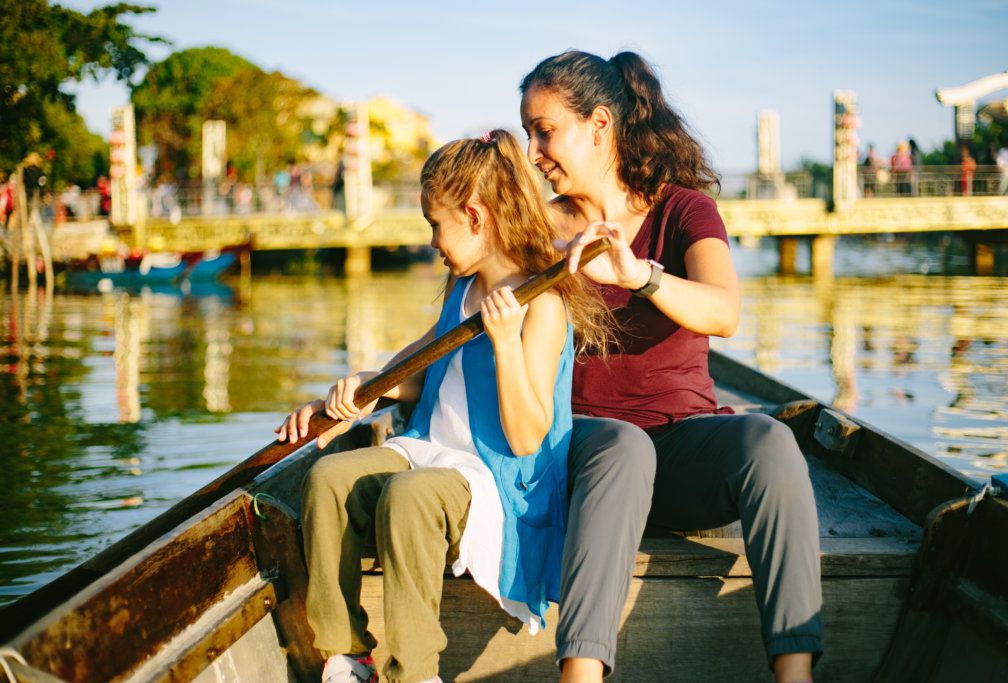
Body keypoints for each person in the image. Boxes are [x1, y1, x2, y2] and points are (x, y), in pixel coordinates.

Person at [519, 50, 821, 683]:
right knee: (624, 446)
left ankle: (796, 675)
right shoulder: (536, 232)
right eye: (527, 133)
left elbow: (724, 311)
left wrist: (639, 276)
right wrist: (363, 390)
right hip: (579, 458)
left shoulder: (683, 210)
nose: (533, 150)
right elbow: (462, 331)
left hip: (679, 459)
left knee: (770, 438)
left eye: (543, 130)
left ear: (599, 125)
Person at [275, 129, 613, 683]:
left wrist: (505, 344)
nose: (431, 240)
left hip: (496, 479)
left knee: (409, 496)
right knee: (329, 478)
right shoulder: (463, 291)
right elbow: (417, 371)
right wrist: (360, 388)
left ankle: (415, 672)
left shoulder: (542, 305)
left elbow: (528, 437)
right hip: (430, 450)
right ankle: (349, 654)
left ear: (476, 218)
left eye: (436, 224)